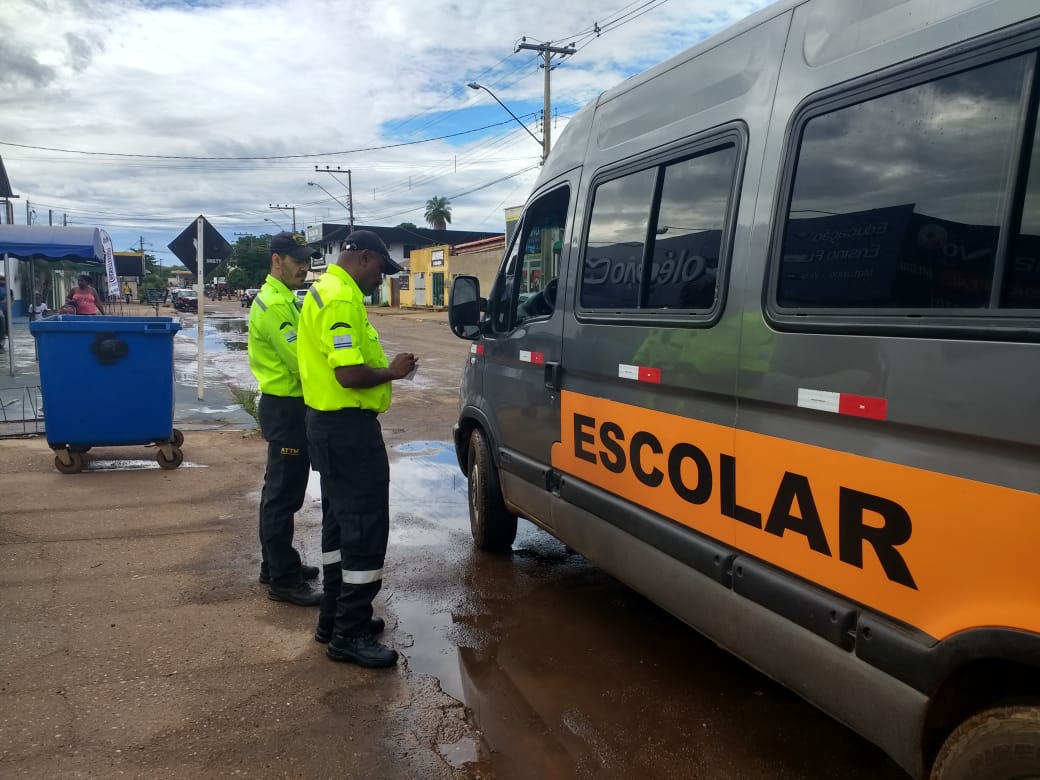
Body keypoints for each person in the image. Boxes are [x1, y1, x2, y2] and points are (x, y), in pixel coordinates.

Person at [298, 230, 417, 668]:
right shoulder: (342, 299)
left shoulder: (322, 291)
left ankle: (334, 617)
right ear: (365, 258)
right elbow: (348, 374)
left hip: (326, 425)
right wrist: (393, 372)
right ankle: (349, 633)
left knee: (339, 526)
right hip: (348, 430)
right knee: (364, 529)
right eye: (382, 269)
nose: (381, 279)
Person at [247, 232, 323, 606]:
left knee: (279, 491)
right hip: (286, 407)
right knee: (282, 496)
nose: (304, 267)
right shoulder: (275, 305)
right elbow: (299, 360)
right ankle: (283, 580)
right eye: (297, 261)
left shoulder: (284, 299)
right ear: (277, 260)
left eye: (307, 260)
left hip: (287, 406)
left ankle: (274, 564)